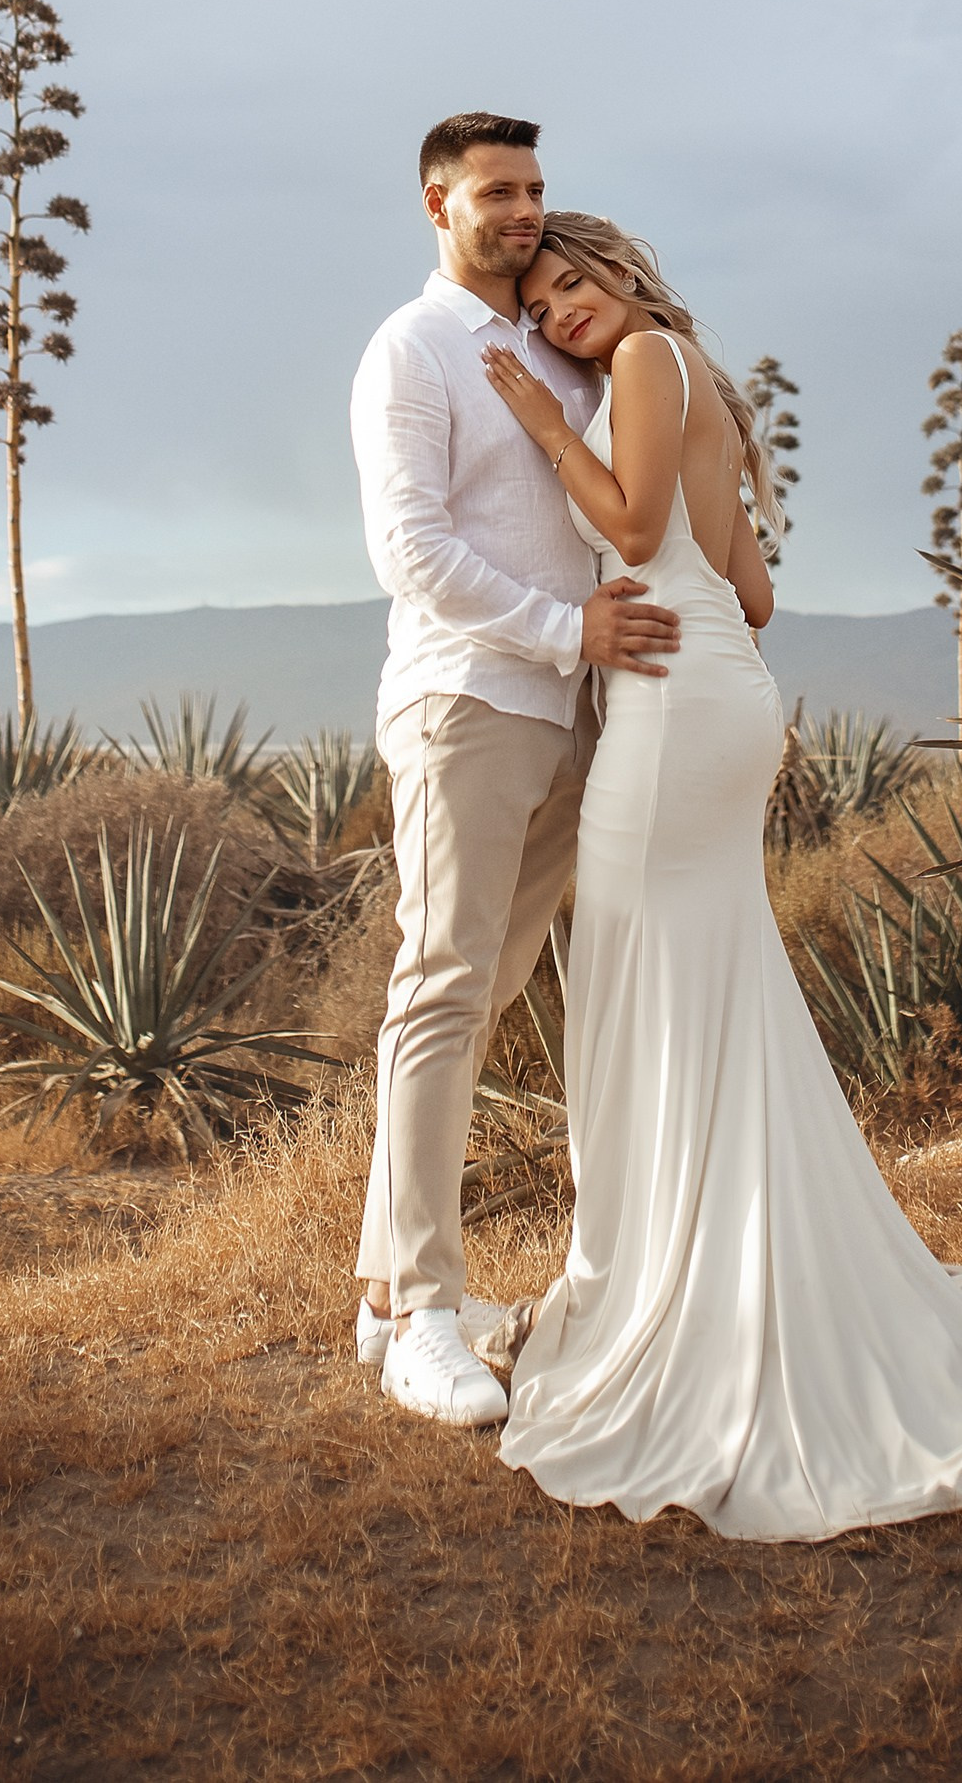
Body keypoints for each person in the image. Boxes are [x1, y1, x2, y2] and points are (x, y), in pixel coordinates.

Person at [479, 211, 962, 1540]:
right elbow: (752, 592)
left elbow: (627, 521)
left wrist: (538, 421)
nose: (561, 311)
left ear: (621, 274)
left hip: (677, 712)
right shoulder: (699, 380)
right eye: (541, 302)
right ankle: (706, 1268)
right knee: (704, 984)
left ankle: (671, 1300)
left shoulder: (637, 365)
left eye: (574, 282)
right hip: (725, 690)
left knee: (644, 985)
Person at [350, 116, 682, 1428]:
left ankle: (386, 1295)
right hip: (467, 702)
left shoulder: (554, 341)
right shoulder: (411, 348)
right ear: (438, 202)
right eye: (498, 189)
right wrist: (566, 631)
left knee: (484, 994)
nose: (524, 209)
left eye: (537, 187)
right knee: (439, 987)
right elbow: (411, 549)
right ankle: (427, 1308)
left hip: (572, 711)